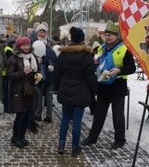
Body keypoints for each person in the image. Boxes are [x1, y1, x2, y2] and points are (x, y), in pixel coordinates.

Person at [82, 21, 136, 149]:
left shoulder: (125, 48)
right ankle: (92, 137)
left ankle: (120, 139)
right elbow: (92, 62)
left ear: (116, 36)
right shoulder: (100, 48)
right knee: (99, 113)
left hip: (118, 85)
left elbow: (131, 68)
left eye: (110, 35)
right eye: (105, 35)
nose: (107, 38)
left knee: (118, 115)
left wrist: (119, 70)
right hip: (103, 85)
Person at [54, 27, 98, 157]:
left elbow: (57, 74)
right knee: (77, 121)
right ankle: (75, 147)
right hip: (81, 91)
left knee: (65, 118)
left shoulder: (63, 54)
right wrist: (94, 91)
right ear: (82, 40)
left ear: (72, 40)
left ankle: (61, 144)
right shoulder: (87, 56)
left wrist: (58, 88)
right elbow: (91, 77)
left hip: (66, 89)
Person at [6, 36, 41, 148]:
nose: (26, 47)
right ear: (18, 46)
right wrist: (22, 73)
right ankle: (15, 137)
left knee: (27, 115)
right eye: (23, 45)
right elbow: (9, 75)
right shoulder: (13, 58)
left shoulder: (32, 57)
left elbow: (36, 70)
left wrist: (37, 76)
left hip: (29, 90)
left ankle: (22, 136)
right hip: (18, 91)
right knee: (20, 115)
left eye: (27, 45)